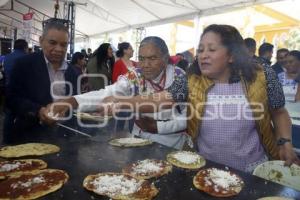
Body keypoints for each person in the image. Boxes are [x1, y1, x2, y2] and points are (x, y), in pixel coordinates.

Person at [105, 25, 299, 172]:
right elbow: (159, 100)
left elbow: (279, 112)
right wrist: (119, 102)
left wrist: (285, 143)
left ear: (231, 55)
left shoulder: (262, 75)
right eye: (200, 50)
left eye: (211, 50)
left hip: (251, 170)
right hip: (204, 167)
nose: (203, 56)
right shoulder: (193, 79)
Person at [43, 36, 188, 149]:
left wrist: (158, 127)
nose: (145, 65)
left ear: (165, 58)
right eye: (142, 59)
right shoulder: (135, 75)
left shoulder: (179, 76)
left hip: (170, 144)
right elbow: (109, 92)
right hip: (139, 139)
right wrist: (72, 101)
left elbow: (187, 116)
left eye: (152, 58)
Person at [4, 19, 79, 143]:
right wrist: (39, 111)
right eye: (52, 42)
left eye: (63, 44)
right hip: (28, 136)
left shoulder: (72, 72)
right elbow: (11, 99)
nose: (59, 49)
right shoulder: (24, 65)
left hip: (64, 137)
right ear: (41, 41)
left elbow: (75, 99)